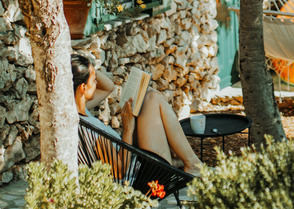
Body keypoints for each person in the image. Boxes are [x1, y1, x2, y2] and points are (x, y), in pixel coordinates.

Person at [72, 54, 203, 176]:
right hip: (140, 177)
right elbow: (120, 172)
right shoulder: (93, 131)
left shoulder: (76, 112)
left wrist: (84, 66)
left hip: (133, 157)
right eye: (94, 80)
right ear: (83, 88)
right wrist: (128, 129)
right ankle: (192, 164)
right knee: (154, 98)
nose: (96, 83)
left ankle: (184, 161)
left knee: (150, 96)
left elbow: (108, 87)